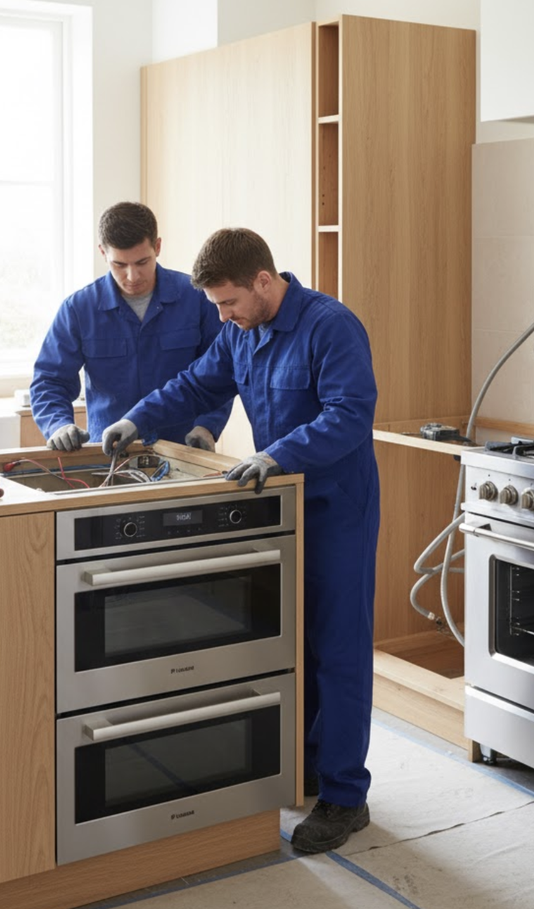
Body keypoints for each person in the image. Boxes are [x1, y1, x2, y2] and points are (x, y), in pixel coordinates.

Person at [101, 228, 380, 854]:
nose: (222, 316)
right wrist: (137, 417)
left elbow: (349, 415)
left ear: (263, 280)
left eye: (228, 303)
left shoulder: (331, 327)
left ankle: (345, 795)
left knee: (338, 650)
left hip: (338, 509)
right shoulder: (240, 332)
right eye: (216, 307)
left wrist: (277, 455)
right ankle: (308, 766)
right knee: (292, 644)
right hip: (279, 505)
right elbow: (196, 384)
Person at [30, 201, 232, 451]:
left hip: (183, 449)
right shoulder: (78, 309)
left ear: (157, 247)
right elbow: (50, 381)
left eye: (142, 262)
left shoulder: (198, 299)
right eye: (120, 265)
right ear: (103, 253)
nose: (132, 276)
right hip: (110, 454)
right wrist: (57, 424)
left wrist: (207, 426)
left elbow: (220, 372)